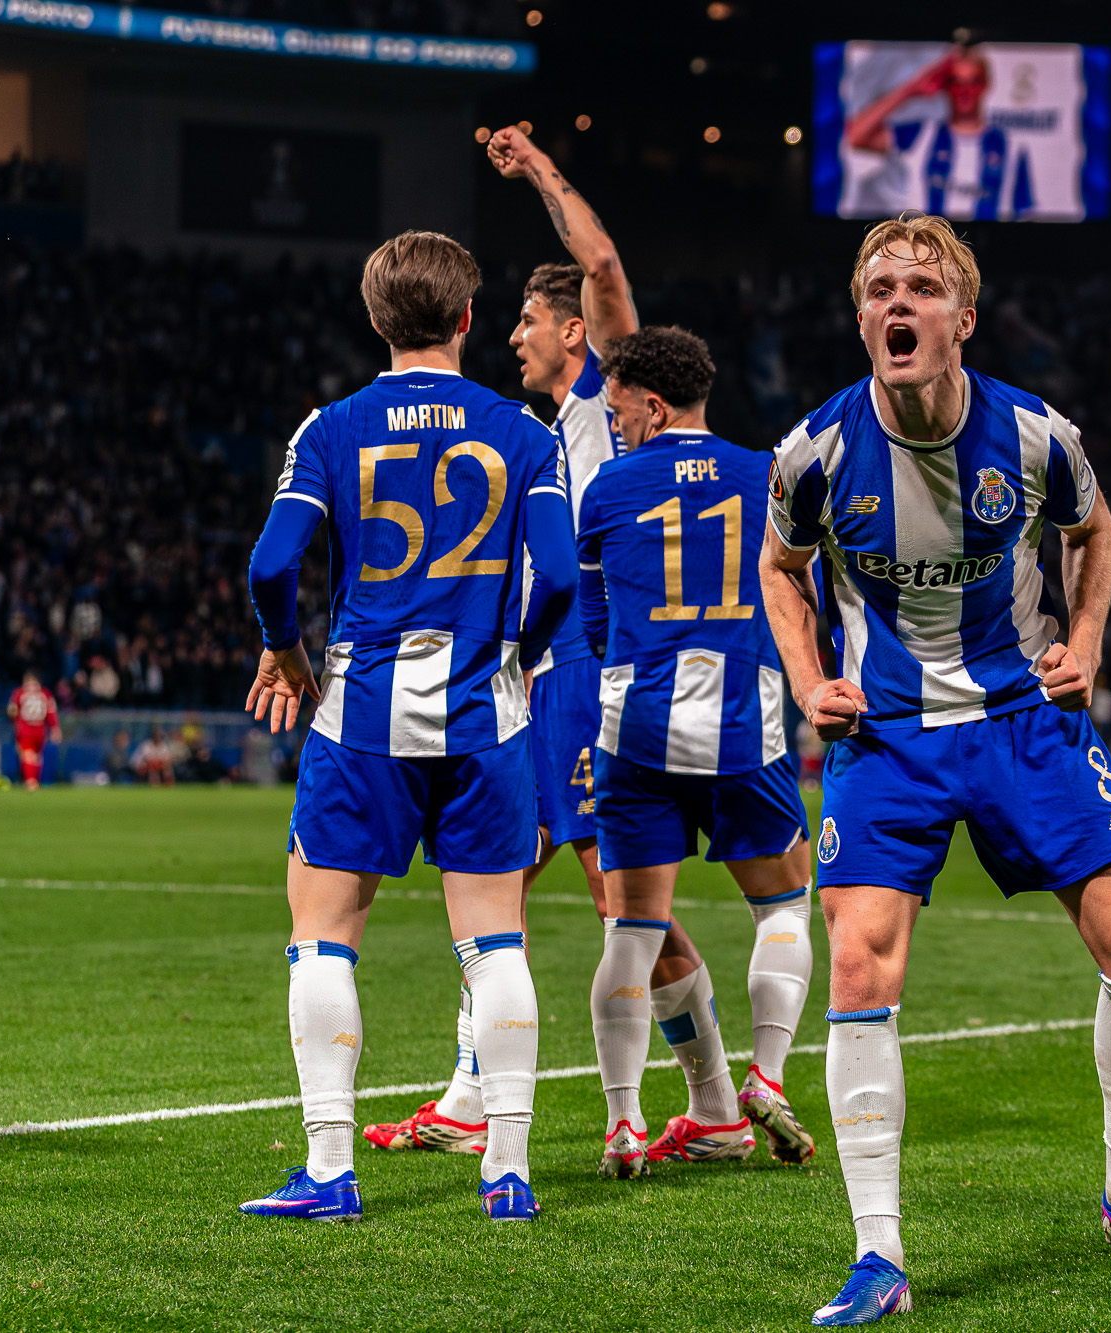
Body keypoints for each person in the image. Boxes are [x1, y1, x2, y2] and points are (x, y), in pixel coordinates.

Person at [758, 211, 1111, 1326]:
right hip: (886, 739)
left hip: (1021, 719)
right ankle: (879, 1256)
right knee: (860, 972)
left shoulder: (1034, 437)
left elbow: (1092, 530)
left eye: (919, 288)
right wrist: (806, 677)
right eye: (877, 289)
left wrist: (1089, 642)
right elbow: (779, 565)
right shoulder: (812, 451)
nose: (895, 305)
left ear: (963, 317)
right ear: (860, 316)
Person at [358, 126, 731, 1160]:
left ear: (575, 333)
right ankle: (474, 1095)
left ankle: (711, 1099)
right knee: (498, 870)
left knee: (621, 899)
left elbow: (604, 265)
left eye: (527, 320)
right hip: (543, 674)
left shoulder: (601, 406)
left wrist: (539, 173)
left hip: (583, 675)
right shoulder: (543, 427)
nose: (512, 337)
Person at [238, 229, 576, 1224]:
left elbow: (270, 565)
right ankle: (506, 1171)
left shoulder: (331, 427)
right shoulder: (524, 432)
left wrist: (284, 648)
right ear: (469, 318)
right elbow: (556, 576)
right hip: (483, 717)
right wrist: (516, 649)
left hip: (364, 719)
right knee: (494, 941)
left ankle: (331, 1171)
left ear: (377, 318)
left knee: (322, 936)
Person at [578, 326, 818, 1175]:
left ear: (650, 404)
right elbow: (802, 593)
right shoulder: (771, 473)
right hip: (743, 725)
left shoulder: (607, 489)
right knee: (784, 904)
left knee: (631, 927)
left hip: (635, 725)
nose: (616, 424)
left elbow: (597, 621)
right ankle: (767, 1075)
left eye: (618, 410)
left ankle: (623, 1123)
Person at [843, 45, 1028, 222]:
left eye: (973, 82)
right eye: (956, 82)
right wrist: (911, 89)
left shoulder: (1011, 147)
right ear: (946, 87)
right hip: (923, 252)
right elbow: (856, 135)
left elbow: (1023, 211)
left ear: (986, 84)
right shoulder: (921, 134)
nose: (965, 91)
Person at [6, 669, 61, 790]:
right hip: (40, 729)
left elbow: (12, 710)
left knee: (26, 755)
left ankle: (31, 781)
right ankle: (35, 780)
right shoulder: (45, 694)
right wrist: (55, 728)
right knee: (36, 757)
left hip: (25, 729)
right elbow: (51, 712)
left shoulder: (19, 693)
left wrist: (13, 719)